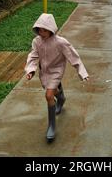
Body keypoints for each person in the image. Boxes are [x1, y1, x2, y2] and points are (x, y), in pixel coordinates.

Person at [25, 13, 89, 142]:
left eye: (44, 30)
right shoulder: (36, 41)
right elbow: (33, 56)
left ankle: (51, 126)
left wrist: (82, 72)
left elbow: (73, 57)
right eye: (39, 30)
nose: (41, 33)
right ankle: (61, 97)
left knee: (49, 95)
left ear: (51, 29)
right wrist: (31, 70)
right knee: (51, 90)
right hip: (44, 71)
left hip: (56, 71)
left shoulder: (61, 42)